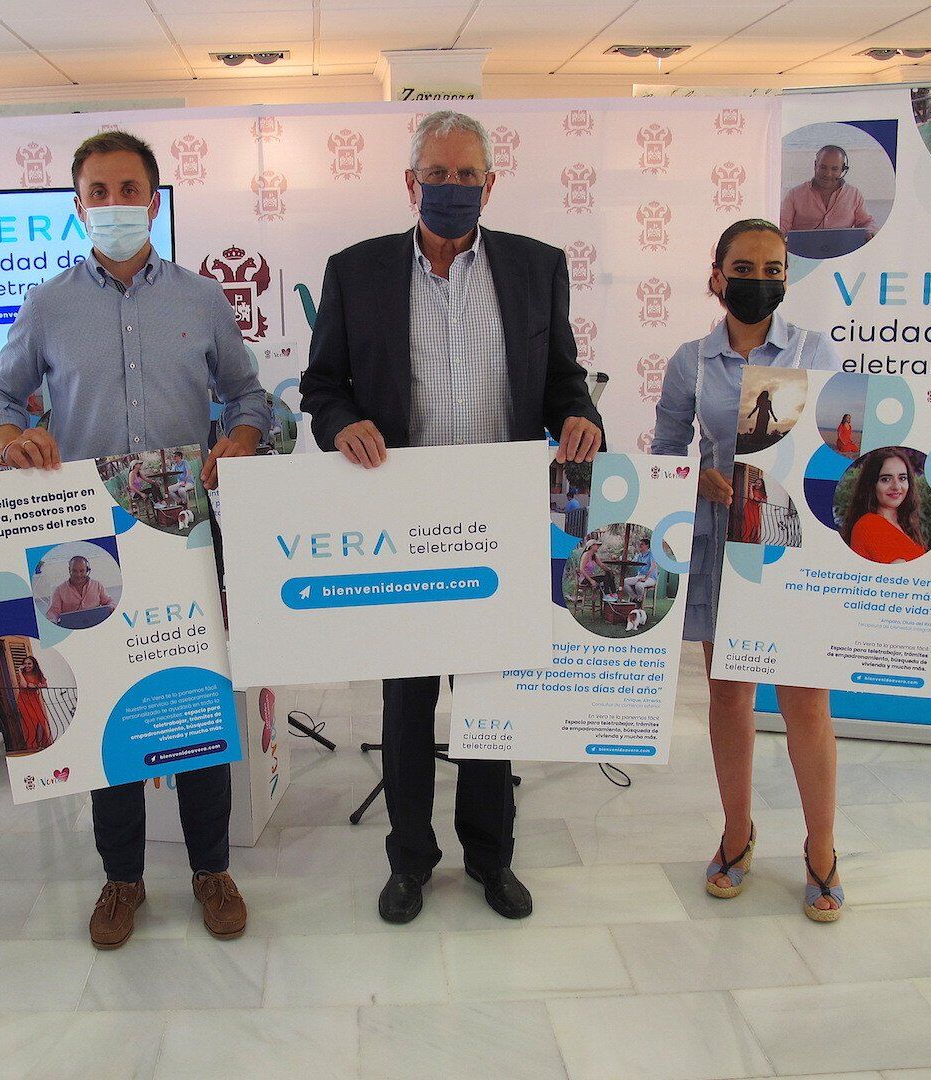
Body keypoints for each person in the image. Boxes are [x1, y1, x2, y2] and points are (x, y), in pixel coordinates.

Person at [300, 109, 603, 925]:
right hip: (403, 519)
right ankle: (410, 860)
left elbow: (562, 378)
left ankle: (491, 858)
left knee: (490, 698)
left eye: (468, 175)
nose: (452, 188)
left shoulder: (538, 267)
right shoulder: (356, 271)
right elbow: (322, 385)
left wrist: (581, 417)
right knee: (407, 703)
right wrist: (342, 424)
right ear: (411, 183)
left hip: (500, 518)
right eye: (437, 175)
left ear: (490, 185)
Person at [0, 130, 270, 949]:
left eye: (128, 189)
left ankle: (211, 868)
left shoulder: (201, 299)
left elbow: (249, 396)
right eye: (98, 192)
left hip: (182, 532)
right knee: (108, 705)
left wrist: (242, 439)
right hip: (90, 537)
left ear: (153, 199)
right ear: (78, 206)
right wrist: (10, 437)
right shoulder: (47, 305)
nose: (114, 204)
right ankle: (122, 879)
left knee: (194, 701)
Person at [651, 218, 847, 922]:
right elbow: (665, 456)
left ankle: (821, 848)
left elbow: (842, 453)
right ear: (717, 275)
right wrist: (696, 477)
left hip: (794, 548)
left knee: (806, 702)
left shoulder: (816, 352)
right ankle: (737, 834)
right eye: (744, 267)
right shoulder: (690, 362)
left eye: (772, 269)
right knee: (730, 696)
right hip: (722, 547)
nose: (758, 280)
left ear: (786, 278)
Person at [840, 447, 928, 564]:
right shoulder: (869, 525)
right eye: (886, 479)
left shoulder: (905, 524)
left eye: (902, 478)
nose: (896, 486)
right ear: (872, 484)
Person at [779, 146, 877, 238]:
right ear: (815, 166)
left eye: (834, 169)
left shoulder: (854, 194)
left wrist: (869, 231)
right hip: (802, 250)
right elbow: (782, 225)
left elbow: (866, 222)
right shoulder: (794, 194)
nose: (828, 174)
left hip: (843, 249)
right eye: (823, 167)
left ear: (842, 170)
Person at [45, 554, 114, 623]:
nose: (78, 574)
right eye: (74, 571)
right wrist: (52, 620)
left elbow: (109, 601)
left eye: (82, 571)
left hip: (96, 623)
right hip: (72, 626)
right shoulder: (59, 590)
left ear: (87, 570)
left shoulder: (97, 585)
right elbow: (53, 611)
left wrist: (111, 607)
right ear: (69, 570)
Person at [15, 654, 52, 751]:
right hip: (24, 701)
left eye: (29, 663)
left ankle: (39, 744)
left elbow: (45, 685)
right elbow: (24, 685)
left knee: (40, 721)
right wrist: (19, 672)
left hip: (35, 700)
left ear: (34, 664)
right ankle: (32, 746)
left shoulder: (38, 674)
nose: (27, 665)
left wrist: (36, 686)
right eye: (25, 664)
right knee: (30, 723)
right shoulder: (21, 674)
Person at [623, 538, 658, 604]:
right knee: (624, 581)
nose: (640, 545)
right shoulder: (639, 555)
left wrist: (645, 578)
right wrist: (625, 561)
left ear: (647, 546)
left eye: (642, 544)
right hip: (639, 576)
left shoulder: (651, 554)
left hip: (650, 578)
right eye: (639, 544)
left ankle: (639, 600)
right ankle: (635, 598)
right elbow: (631, 564)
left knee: (638, 585)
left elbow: (653, 566)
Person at [741, 475, 769, 543]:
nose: (757, 484)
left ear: (762, 485)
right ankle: (745, 540)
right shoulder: (753, 489)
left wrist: (760, 500)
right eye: (756, 483)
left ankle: (752, 540)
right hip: (749, 508)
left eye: (759, 483)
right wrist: (751, 487)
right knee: (749, 524)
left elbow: (765, 500)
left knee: (756, 524)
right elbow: (751, 497)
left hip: (756, 509)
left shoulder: (762, 492)